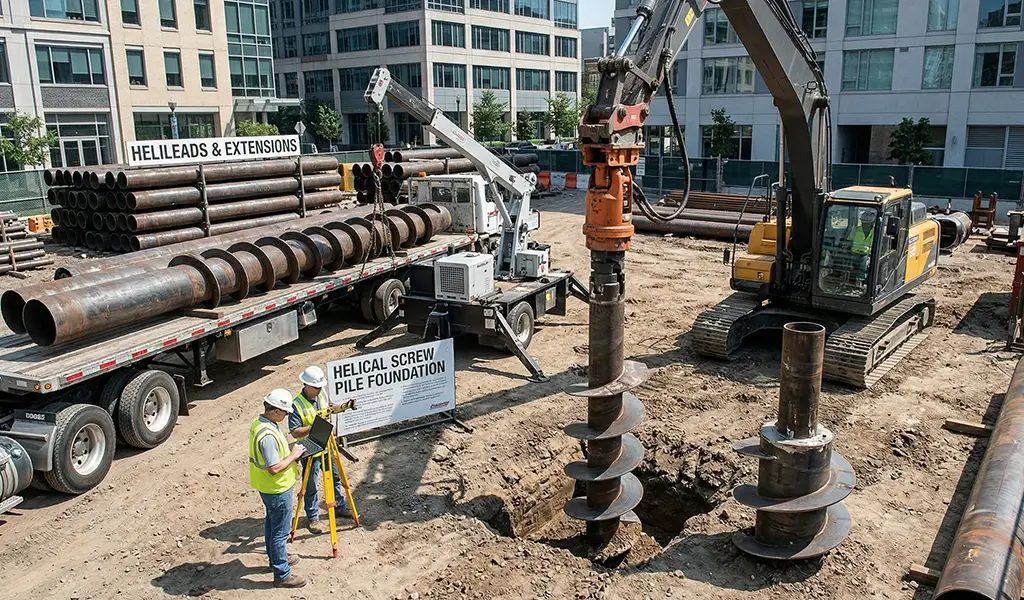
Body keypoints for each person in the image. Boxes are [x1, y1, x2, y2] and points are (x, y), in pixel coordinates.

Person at [248, 388, 307, 589]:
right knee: (280, 532)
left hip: (268, 488)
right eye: (285, 412)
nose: (287, 415)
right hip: (276, 488)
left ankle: (276, 559)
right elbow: (274, 468)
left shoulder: (260, 423)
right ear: (275, 411)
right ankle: (282, 574)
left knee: (272, 526)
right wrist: (294, 455)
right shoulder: (268, 436)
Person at [289, 365, 350, 535]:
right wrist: (313, 426)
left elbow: (329, 408)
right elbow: (294, 431)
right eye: (316, 387)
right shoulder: (296, 405)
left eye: (320, 386)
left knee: (335, 477)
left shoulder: (321, 394)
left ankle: (339, 506)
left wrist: (344, 406)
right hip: (309, 449)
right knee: (311, 484)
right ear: (306, 385)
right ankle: (312, 517)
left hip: (326, 443)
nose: (319, 390)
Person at [850, 210, 876, 282]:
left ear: (872, 223)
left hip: (867, 255)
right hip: (854, 253)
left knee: (864, 263)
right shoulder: (856, 230)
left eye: (867, 223)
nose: (864, 224)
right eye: (863, 222)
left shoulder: (875, 232)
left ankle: (861, 280)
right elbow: (849, 240)